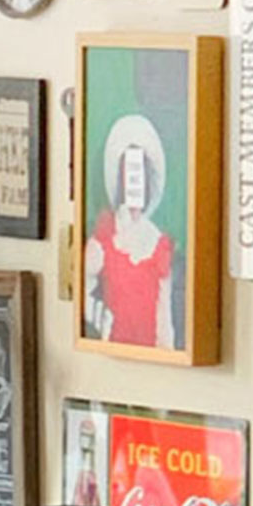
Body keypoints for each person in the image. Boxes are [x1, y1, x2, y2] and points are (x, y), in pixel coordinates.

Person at [84, 114, 177, 350]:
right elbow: (79, 294)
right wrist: (96, 318)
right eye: (129, 173)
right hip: (113, 357)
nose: (135, 182)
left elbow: (164, 318)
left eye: (140, 174)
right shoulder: (104, 240)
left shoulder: (159, 244)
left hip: (151, 364)